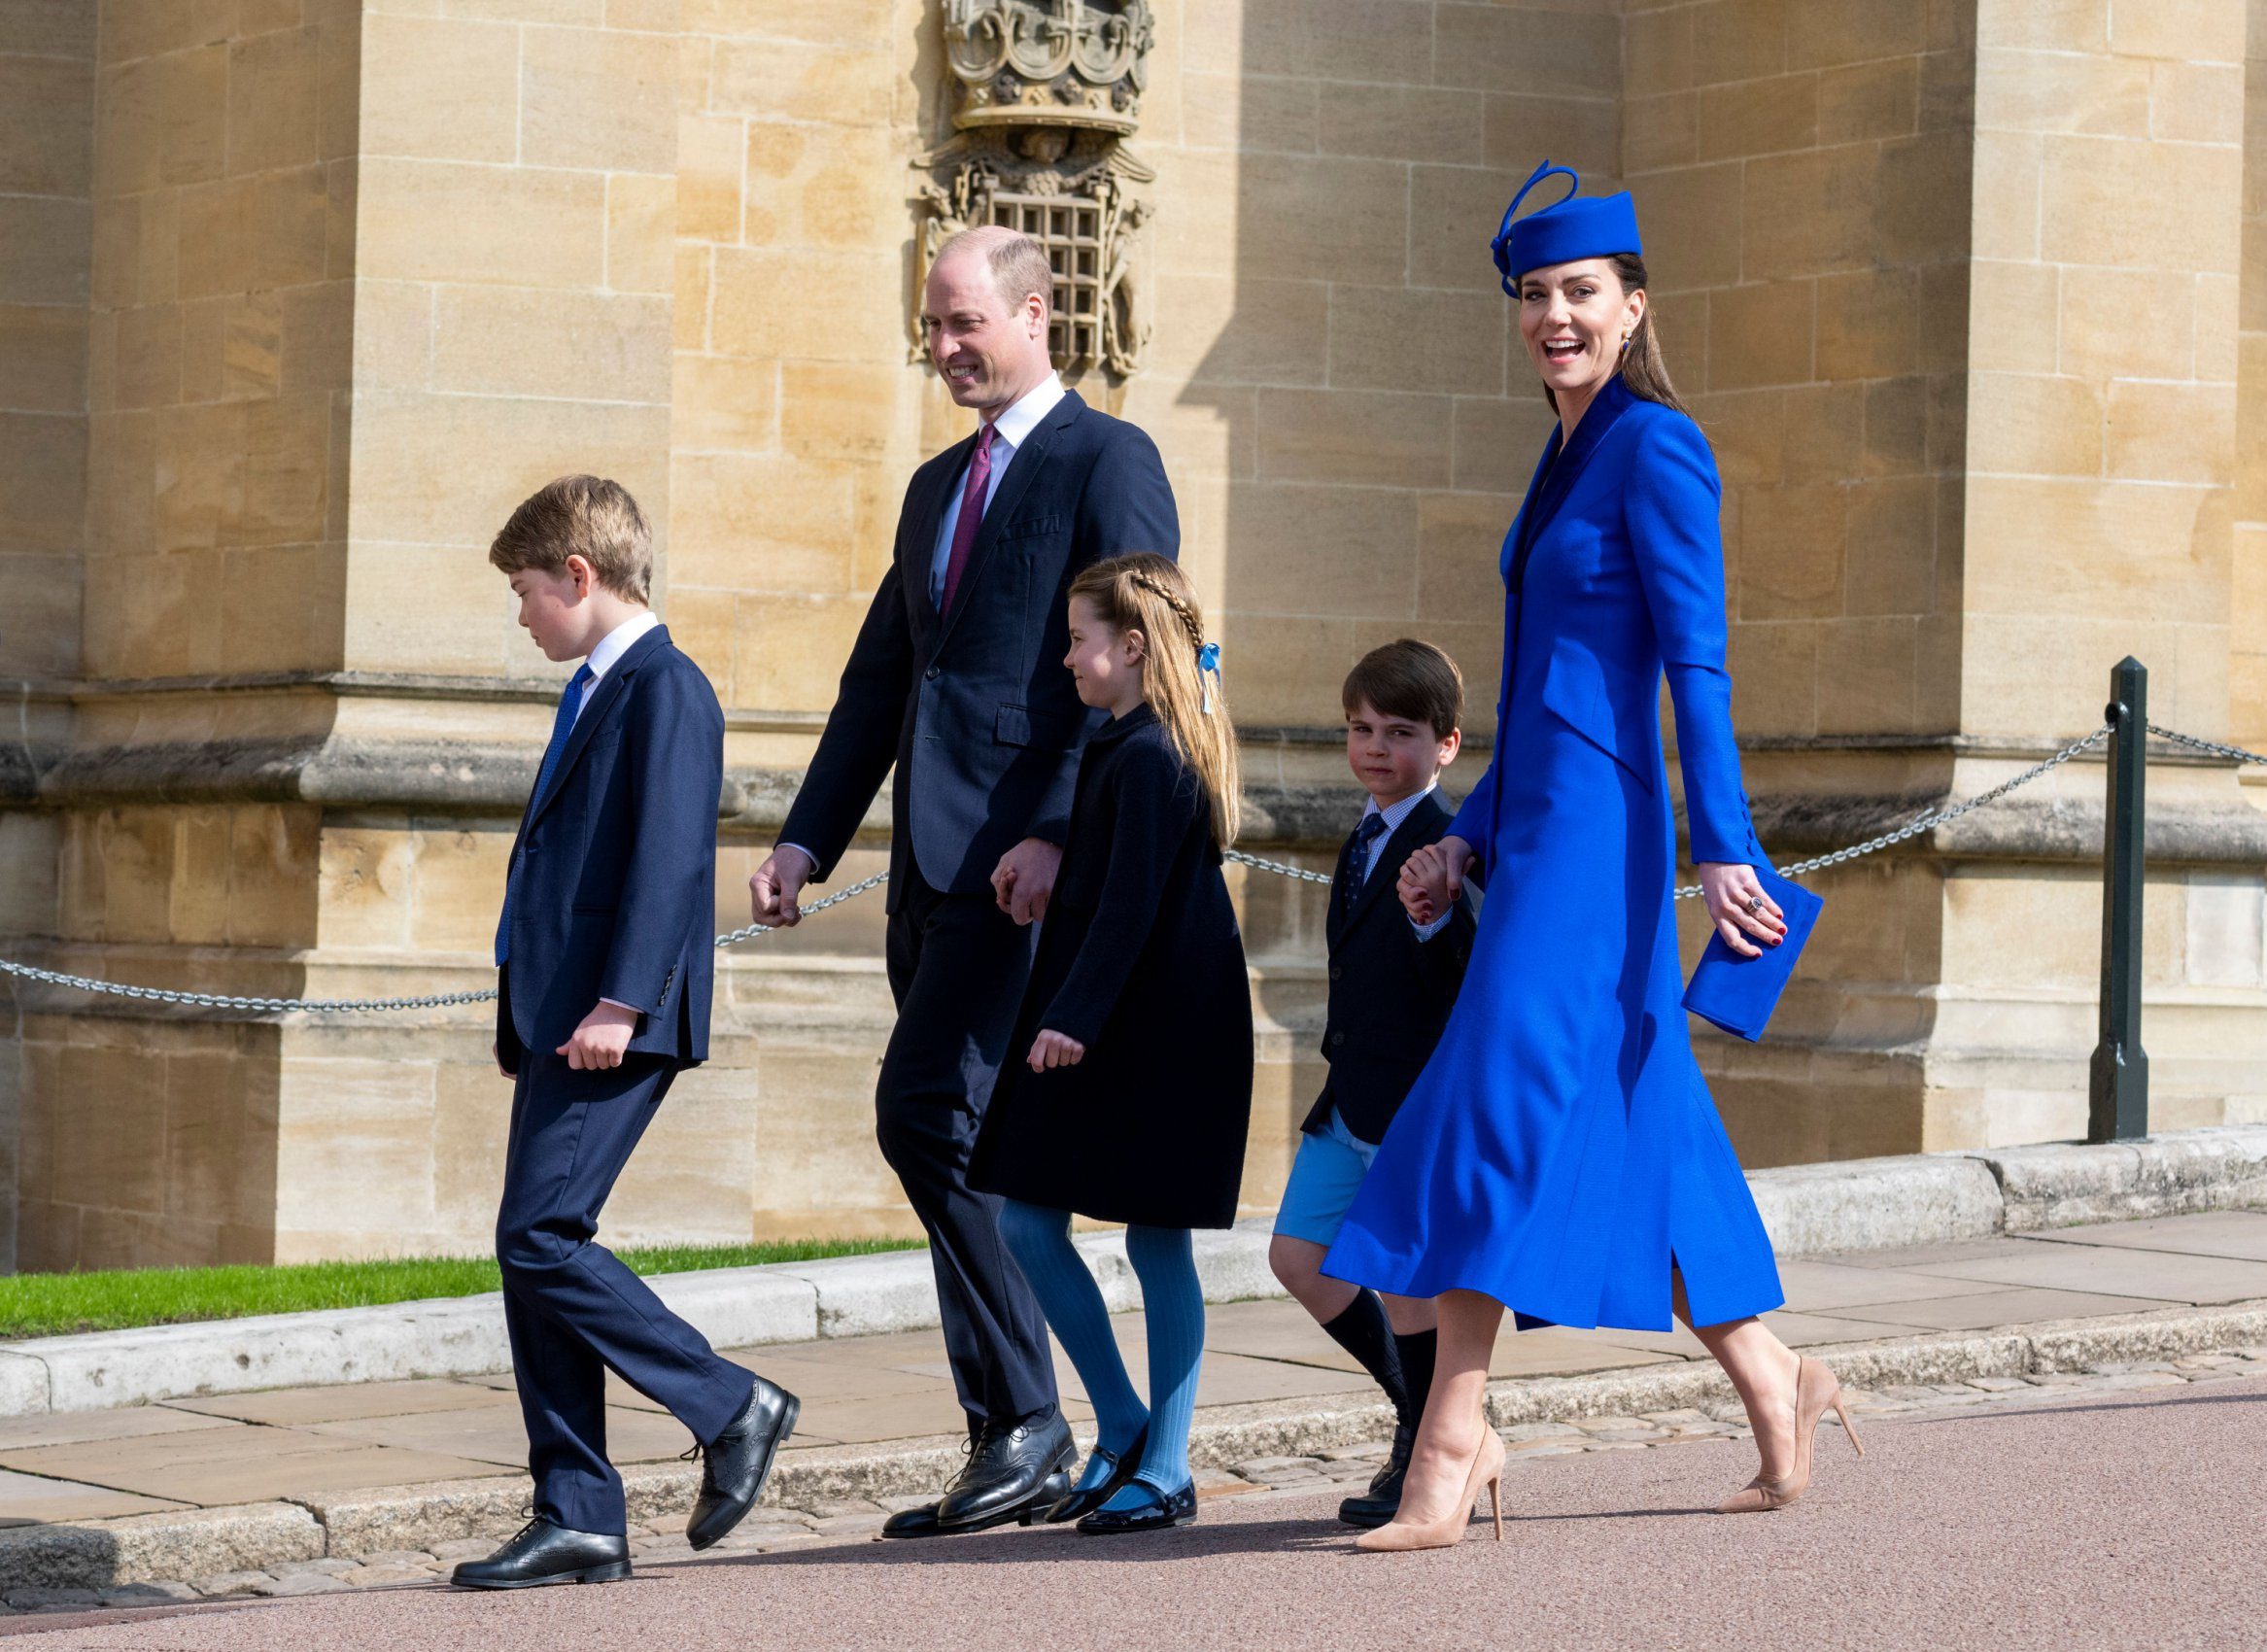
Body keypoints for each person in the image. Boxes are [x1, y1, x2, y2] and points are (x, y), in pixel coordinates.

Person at [1322, 163, 1863, 1554]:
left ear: (1633, 307)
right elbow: (1556, 685)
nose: (1554, 316)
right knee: (1650, 1119)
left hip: (1606, 845)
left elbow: (1694, 666)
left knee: (1493, 1096)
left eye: (1580, 294)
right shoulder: (1562, 452)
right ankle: (1777, 1377)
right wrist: (1466, 836)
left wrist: (1724, 849)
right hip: (1543, 828)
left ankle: (1450, 1441)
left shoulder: (1656, 448)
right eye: (1534, 296)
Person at [746, 227, 1180, 1537]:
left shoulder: (1112, 459)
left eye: (960, 326)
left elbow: (1144, 658)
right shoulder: (936, 487)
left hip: (1024, 870)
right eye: (930, 329)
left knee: (926, 1112)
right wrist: (805, 838)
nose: (940, 350)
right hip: (927, 874)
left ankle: (1038, 1422)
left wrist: (1056, 830)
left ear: (1037, 315)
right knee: (970, 1143)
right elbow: (884, 679)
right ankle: (1011, 1430)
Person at [455, 476, 796, 1590]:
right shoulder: (601, 685)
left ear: (578, 576)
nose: (520, 616)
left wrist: (620, 1003)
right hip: (565, 1011)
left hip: (614, 1013)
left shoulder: (665, 687)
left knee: (540, 1235)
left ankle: (730, 1402)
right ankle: (579, 1511)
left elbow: (666, 858)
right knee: (530, 1250)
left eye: (523, 591)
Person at [968, 553, 1253, 1536]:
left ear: (1130, 647)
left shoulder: (1157, 754)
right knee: (1026, 1221)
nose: (1066, 656)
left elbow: (1131, 908)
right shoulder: (1118, 739)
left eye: (1080, 638)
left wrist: (1071, 1016)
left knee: (1152, 1234)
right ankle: (1123, 1417)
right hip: (1100, 1013)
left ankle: (1166, 1462)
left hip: (1159, 1025)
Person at [1267, 639, 1477, 1530]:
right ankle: (1425, 1417)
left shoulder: (1449, 841)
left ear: (1447, 746)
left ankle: (1432, 1446)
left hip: (1412, 1097)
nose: (1376, 748)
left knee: (1403, 1283)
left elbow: (1470, 961)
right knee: (1298, 1259)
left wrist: (1435, 913)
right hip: (1348, 1093)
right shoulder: (1360, 835)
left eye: (1399, 732)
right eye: (1360, 729)